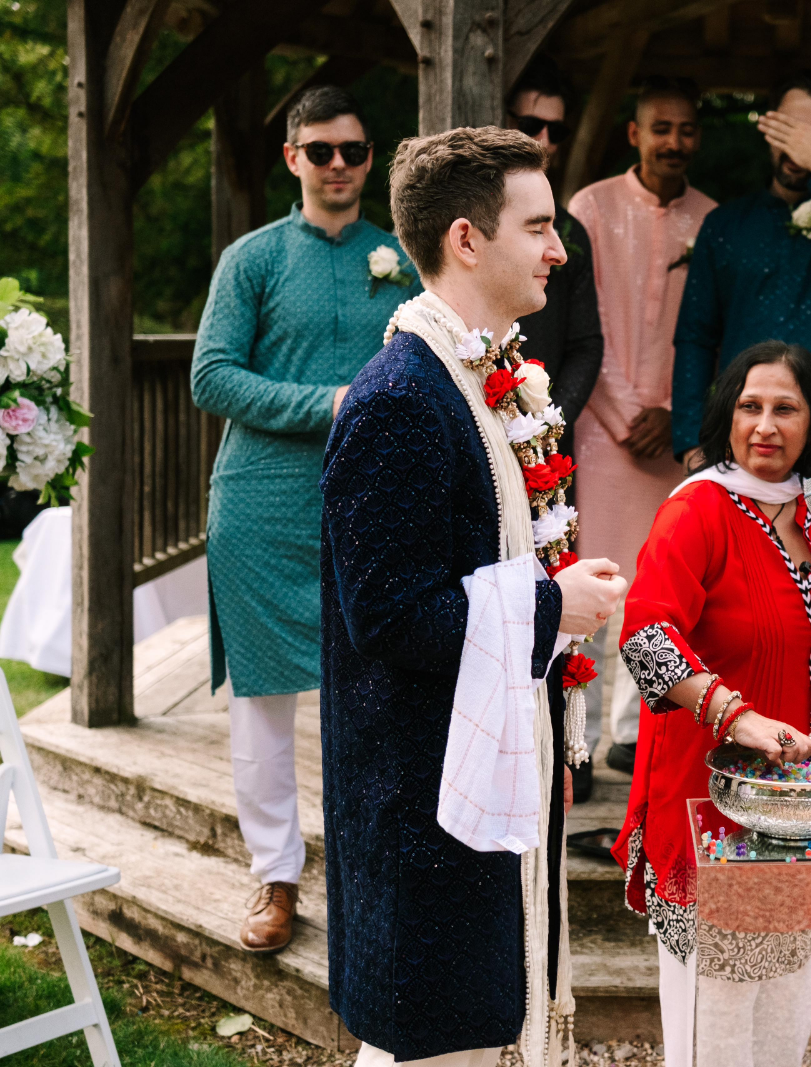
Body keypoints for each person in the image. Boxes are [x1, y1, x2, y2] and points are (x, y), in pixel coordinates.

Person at [320, 126, 629, 1067]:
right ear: (466, 239)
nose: (558, 249)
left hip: (483, 767)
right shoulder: (402, 397)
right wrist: (551, 607)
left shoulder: (485, 378)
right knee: (434, 1048)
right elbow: (389, 615)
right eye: (538, 226)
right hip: (423, 799)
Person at [610, 342, 811, 1067]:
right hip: (708, 803)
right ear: (726, 415)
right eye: (750, 406)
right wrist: (732, 713)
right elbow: (646, 638)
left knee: (787, 1008)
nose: (766, 425)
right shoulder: (698, 510)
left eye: (786, 408)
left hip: (805, 810)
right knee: (713, 1021)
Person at [191, 86, 420, 954]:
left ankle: (371, 867)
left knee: (377, 688)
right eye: (319, 150)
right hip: (260, 504)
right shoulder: (250, 259)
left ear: (370, 159)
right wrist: (330, 399)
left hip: (370, 503)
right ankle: (274, 875)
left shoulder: (401, 257)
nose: (337, 166)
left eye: (352, 151)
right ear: (291, 158)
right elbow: (211, 377)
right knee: (263, 702)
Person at [671, 70, 811, 567]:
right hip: (747, 438)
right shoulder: (726, 225)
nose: (799, 145)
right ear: (767, 129)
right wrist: (690, 441)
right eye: (789, 130)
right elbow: (694, 336)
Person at [567, 76, 717, 778]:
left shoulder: (713, 219)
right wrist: (628, 412)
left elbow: (713, 332)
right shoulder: (590, 208)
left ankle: (632, 737)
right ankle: (575, 740)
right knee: (589, 578)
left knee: (658, 586)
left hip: (676, 437)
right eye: (662, 127)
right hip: (602, 429)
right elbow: (579, 320)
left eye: (686, 129)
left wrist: (676, 417)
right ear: (634, 133)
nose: (674, 142)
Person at [505, 58, 607, 795]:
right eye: (528, 122)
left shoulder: (568, 233)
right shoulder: (477, 226)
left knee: (559, 584)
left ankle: (568, 749)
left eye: (554, 128)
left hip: (547, 441)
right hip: (481, 418)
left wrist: (548, 418)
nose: (542, 136)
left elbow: (586, 342)